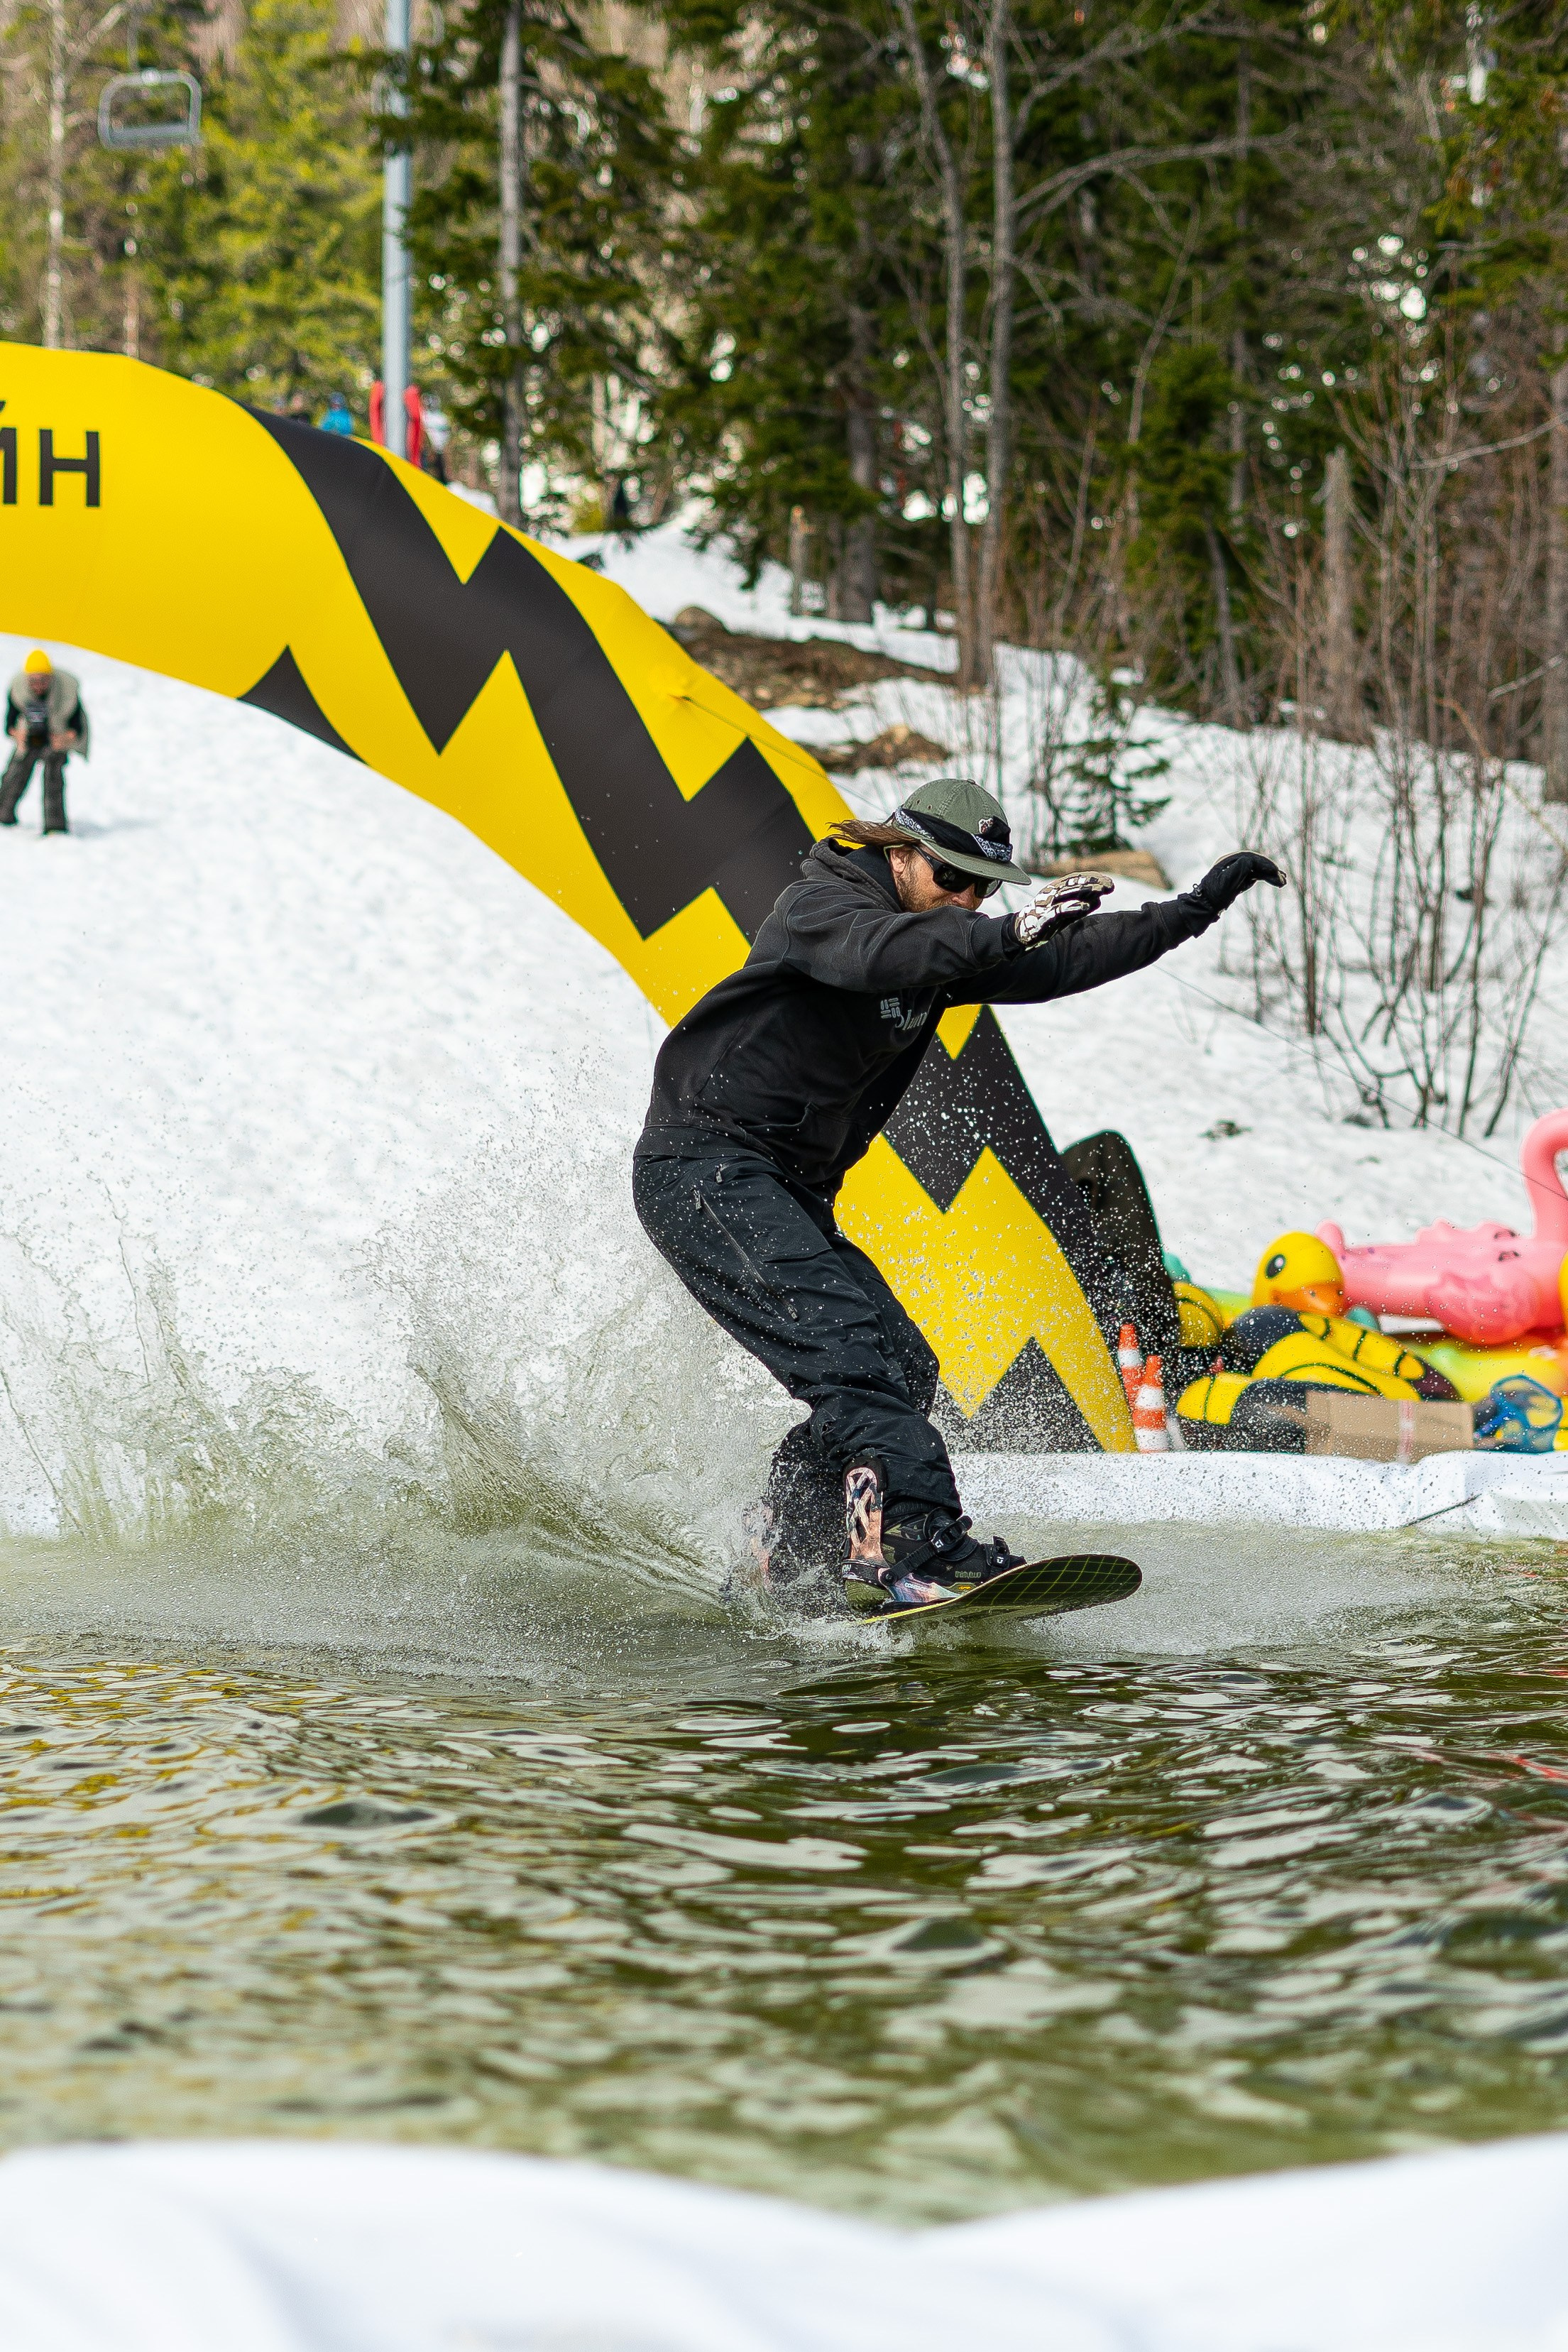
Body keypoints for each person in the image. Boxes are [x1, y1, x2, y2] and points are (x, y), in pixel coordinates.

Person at [632, 777, 1285, 1608]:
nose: (968, 901)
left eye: (983, 890)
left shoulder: (941, 947)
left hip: (784, 1188)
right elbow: (880, 957)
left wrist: (1190, 911)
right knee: (853, 1364)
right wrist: (1006, 931)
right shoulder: (819, 910)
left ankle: (789, 1546)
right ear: (899, 855)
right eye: (953, 881)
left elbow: (1065, 959)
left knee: (901, 1368)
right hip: (703, 1170)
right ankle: (919, 1548)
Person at [1, 650, 88, 836]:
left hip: (57, 738)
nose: (38, 685)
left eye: (43, 680)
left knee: (53, 777)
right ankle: (3, 814)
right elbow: (9, 723)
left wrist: (65, 739)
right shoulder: (18, 689)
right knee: (15, 774)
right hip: (29, 737)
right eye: (33, 681)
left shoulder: (67, 691)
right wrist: (18, 735)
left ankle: (55, 826)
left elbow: (78, 727)